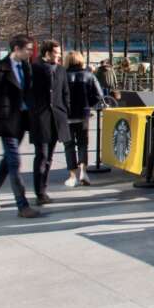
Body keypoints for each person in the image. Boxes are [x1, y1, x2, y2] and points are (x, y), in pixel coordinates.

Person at [0, 35, 39, 218]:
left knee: (7, 161)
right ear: (16, 48)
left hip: (22, 120)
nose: (30, 52)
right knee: (14, 162)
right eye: (28, 49)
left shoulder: (26, 67)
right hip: (6, 121)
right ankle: (22, 206)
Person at [29, 40, 71, 205]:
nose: (59, 56)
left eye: (60, 53)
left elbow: (65, 92)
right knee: (42, 155)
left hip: (57, 119)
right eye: (56, 53)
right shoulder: (35, 68)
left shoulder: (61, 70)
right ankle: (39, 192)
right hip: (41, 118)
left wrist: (64, 112)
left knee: (49, 157)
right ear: (46, 53)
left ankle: (43, 189)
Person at [63, 51, 103, 187]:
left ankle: (72, 175)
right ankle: (83, 172)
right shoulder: (89, 75)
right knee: (83, 144)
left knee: (68, 146)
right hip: (83, 115)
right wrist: (88, 104)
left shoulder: (62, 75)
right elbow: (99, 95)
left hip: (66, 116)